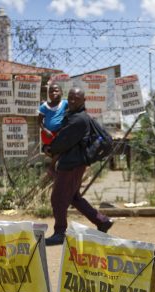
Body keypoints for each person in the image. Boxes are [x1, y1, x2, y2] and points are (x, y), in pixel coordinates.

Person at [45, 87, 113, 246]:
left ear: (83, 101)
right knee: (73, 197)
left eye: (76, 98)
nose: (72, 101)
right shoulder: (76, 116)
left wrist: (50, 149)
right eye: (70, 98)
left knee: (58, 198)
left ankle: (60, 232)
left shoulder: (78, 119)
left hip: (72, 164)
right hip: (74, 163)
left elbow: (63, 141)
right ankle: (102, 221)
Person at [38, 83, 68, 155]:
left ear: (61, 93)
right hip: (48, 134)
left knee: (60, 151)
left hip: (60, 134)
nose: (54, 93)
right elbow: (39, 121)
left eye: (56, 91)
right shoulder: (44, 106)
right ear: (48, 94)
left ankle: (55, 164)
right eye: (51, 91)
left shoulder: (65, 103)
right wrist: (45, 130)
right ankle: (54, 164)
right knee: (51, 151)